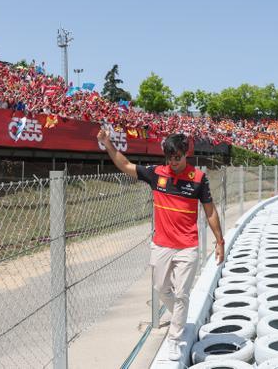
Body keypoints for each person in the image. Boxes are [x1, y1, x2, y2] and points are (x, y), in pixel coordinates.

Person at [96, 129, 225, 361]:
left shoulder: (198, 178)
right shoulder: (156, 173)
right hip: (162, 245)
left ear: (186, 154)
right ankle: (179, 316)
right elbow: (125, 165)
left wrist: (219, 241)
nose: (173, 162)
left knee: (183, 294)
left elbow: (210, 211)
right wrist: (107, 144)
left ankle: (175, 338)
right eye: (169, 157)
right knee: (160, 289)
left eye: (177, 157)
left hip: (187, 246)